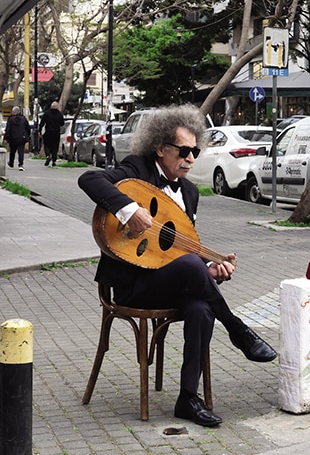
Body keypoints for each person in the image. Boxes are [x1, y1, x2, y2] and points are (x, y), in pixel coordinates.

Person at [78, 105, 277, 427]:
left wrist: (210, 270)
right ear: (161, 149)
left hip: (173, 281)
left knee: (200, 306)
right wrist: (129, 209)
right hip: (133, 286)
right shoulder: (136, 170)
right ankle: (238, 330)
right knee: (190, 267)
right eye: (184, 151)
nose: (191, 159)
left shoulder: (189, 193)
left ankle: (187, 399)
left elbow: (181, 251)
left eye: (195, 152)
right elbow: (89, 178)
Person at [4, 106, 31, 170]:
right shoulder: (24, 119)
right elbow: (28, 128)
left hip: (13, 138)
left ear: (13, 112)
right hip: (22, 137)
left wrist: (6, 138)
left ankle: (11, 163)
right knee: (21, 151)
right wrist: (27, 135)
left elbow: (8, 129)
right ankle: (21, 164)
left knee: (12, 151)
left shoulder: (10, 119)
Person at [40, 102, 65, 167]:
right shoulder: (59, 114)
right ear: (57, 107)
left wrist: (40, 131)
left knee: (46, 145)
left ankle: (48, 155)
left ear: (51, 106)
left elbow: (42, 122)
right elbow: (62, 123)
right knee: (55, 147)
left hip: (48, 132)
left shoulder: (47, 113)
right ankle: (54, 161)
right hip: (56, 133)